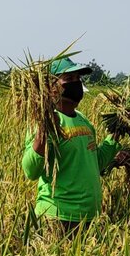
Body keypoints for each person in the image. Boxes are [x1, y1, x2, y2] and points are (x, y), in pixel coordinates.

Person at [21, 57, 123, 232]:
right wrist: (43, 133)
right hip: (57, 218)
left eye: (78, 79)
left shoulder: (83, 120)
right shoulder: (45, 122)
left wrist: (116, 134)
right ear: (50, 87)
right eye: (69, 80)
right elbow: (31, 171)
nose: (76, 84)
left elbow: (94, 163)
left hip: (90, 217)